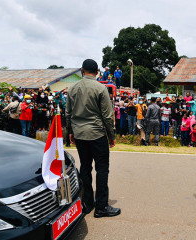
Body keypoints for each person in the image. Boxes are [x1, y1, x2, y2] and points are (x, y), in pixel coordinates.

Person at [66, 59, 120, 218]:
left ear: (82, 70)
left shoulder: (72, 88)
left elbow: (68, 113)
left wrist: (70, 131)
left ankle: (87, 203)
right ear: (97, 72)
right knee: (102, 169)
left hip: (79, 134)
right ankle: (101, 207)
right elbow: (107, 116)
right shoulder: (101, 88)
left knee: (85, 167)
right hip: (97, 134)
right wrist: (112, 136)